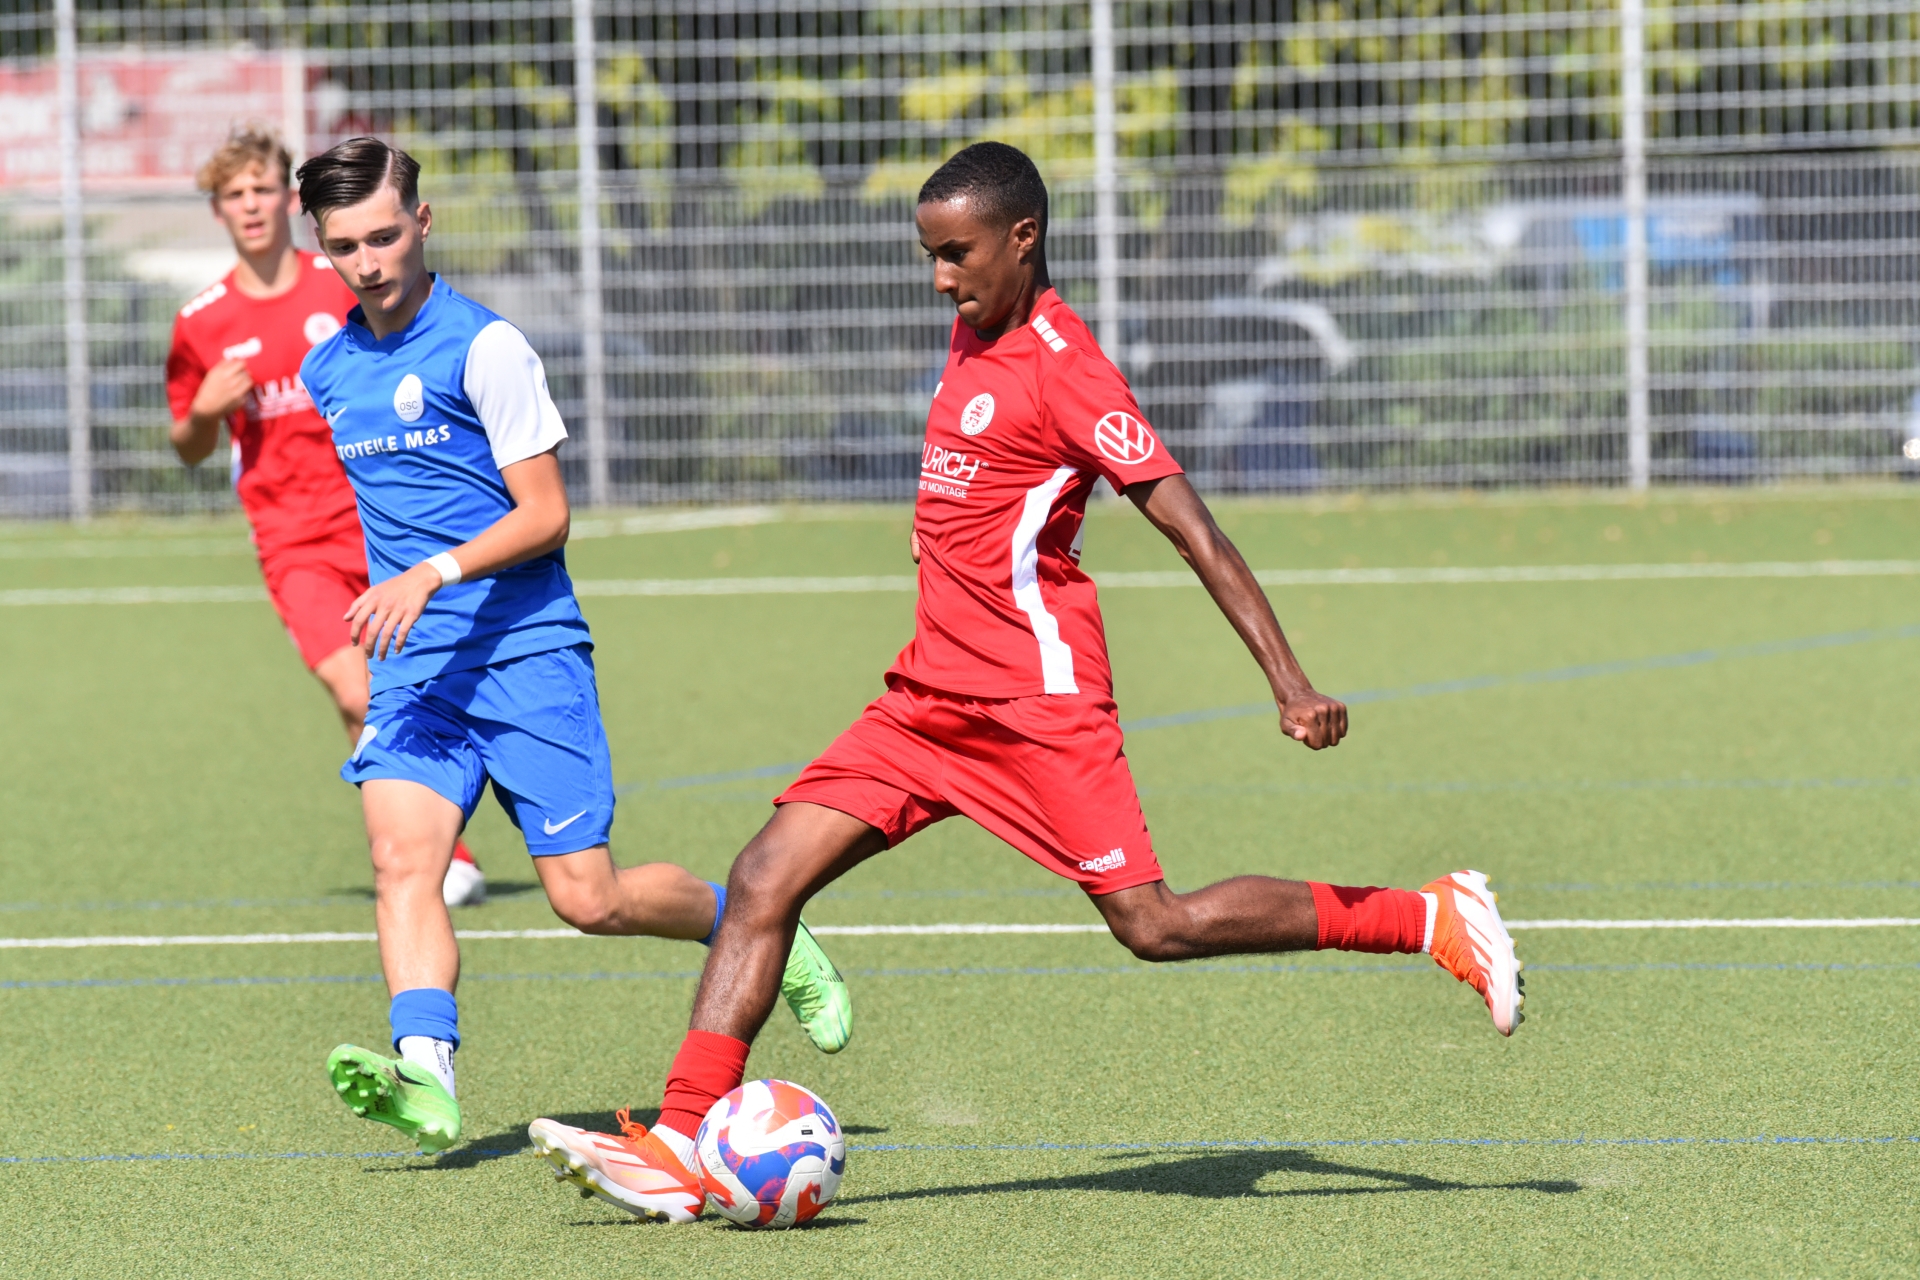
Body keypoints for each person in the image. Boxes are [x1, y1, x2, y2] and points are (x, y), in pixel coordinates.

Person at [526, 142, 1525, 1222]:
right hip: (926, 701)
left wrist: (1291, 682)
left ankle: (1428, 915)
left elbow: (1192, 528)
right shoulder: (975, 324)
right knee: (765, 876)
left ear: (1024, 237)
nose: (940, 278)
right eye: (930, 254)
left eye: (957, 253)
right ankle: (682, 1143)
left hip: (1036, 705)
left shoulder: (1068, 370)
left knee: (1156, 925)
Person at [294, 137, 853, 1155]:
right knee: (400, 860)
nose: (368, 262)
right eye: (345, 246)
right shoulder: (328, 368)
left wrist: (431, 572)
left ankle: (760, 923)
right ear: (322, 249)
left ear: (423, 221)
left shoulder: (487, 348)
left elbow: (546, 514)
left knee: (588, 898)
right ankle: (427, 1074)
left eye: (383, 235)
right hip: (416, 670)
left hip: (524, 652)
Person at [165, 126, 488, 909]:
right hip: (292, 542)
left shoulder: (344, 275)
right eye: (234, 193)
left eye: (262, 188)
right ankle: (444, 852)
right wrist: (204, 411)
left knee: (399, 688)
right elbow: (189, 446)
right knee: (356, 690)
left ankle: (414, 849)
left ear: (289, 199)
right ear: (218, 209)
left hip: (377, 523)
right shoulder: (202, 321)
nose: (251, 205)